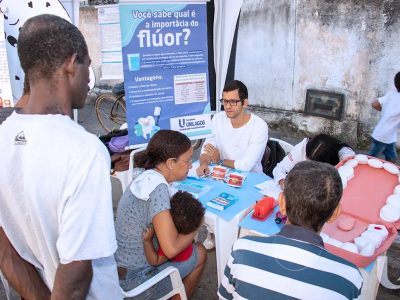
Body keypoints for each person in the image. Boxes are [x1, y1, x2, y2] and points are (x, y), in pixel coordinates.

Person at [0, 14, 121, 299]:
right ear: (70, 63)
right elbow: (76, 273)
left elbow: (5, 249)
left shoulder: (3, 136)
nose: (88, 82)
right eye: (87, 67)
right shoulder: (83, 150)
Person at [219, 161, 363, 299]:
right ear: (334, 214)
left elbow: (225, 296)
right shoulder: (349, 278)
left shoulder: (242, 250)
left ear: (281, 203)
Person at [115, 130, 206, 298]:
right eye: (187, 161)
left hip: (121, 270)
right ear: (171, 162)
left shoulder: (147, 175)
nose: (191, 165)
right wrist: (197, 226)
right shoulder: (158, 189)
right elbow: (170, 249)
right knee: (200, 251)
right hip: (138, 280)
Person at [196, 80, 268, 176]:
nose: (228, 106)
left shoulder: (259, 126)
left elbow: (246, 165)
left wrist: (220, 161)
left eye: (233, 102)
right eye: (225, 101)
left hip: (250, 179)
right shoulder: (218, 119)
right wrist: (204, 164)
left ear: (245, 103)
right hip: (221, 175)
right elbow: (207, 148)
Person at [142, 191, 205, 266]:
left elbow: (155, 261)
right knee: (201, 250)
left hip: (177, 261)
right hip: (186, 253)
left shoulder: (169, 239)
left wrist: (147, 241)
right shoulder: (186, 227)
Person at [273, 133, 355, 189]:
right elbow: (281, 167)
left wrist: (337, 170)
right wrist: (282, 181)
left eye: (313, 164)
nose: (309, 166)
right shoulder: (302, 147)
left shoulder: (346, 156)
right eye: (307, 159)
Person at [368, 72, 400, 163]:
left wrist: (386, 112)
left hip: (387, 135)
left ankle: (390, 173)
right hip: (383, 136)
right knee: (370, 157)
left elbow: (374, 104)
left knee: (392, 157)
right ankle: (361, 170)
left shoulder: (391, 95)